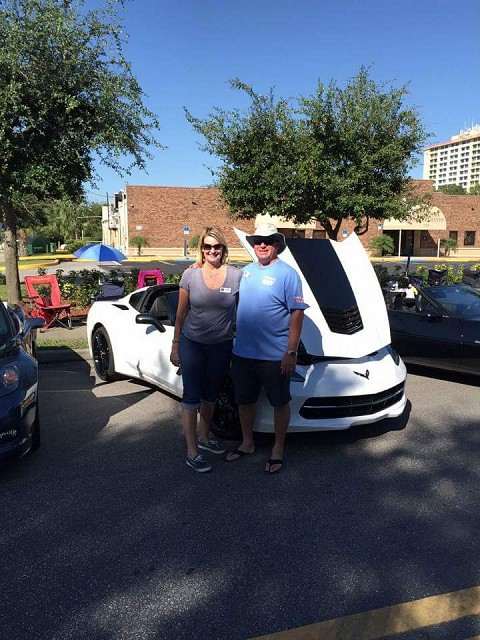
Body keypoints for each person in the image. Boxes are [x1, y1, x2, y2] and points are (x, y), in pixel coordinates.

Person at [226, 223, 307, 474]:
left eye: (268, 240)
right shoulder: (246, 272)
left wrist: (291, 352)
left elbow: (297, 313)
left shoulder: (288, 274)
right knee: (244, 401)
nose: (262, 244)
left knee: (279, 403)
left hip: (275, 356)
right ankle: (248, 443)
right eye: (258, 240)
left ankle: (278, 449)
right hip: (243, 354)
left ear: (277, 245)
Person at [170, 227, 242, 473]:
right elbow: (180, 314)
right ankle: (192, 452)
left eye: (217, 246)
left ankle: (204, 437)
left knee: (211, 395)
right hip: (193, 344)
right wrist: (175, 345)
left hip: (221, 345)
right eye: (207, 246)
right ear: (201, 248)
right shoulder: (190, 276)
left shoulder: (236, 276)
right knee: (191, 397)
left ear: (224, 248)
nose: (212, 251)